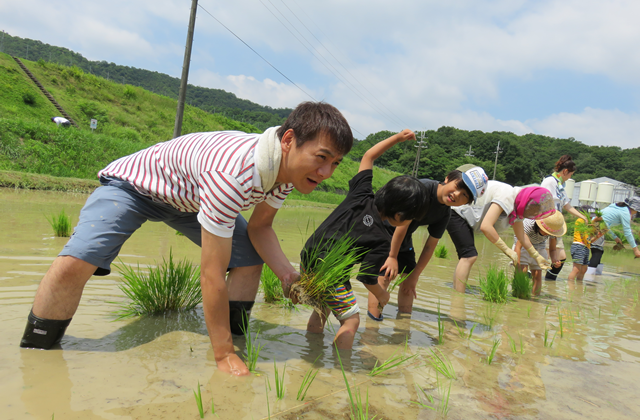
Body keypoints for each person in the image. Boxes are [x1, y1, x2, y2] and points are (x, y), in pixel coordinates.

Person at [20, 101, 353, 376]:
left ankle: (235, 338)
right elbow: (211, 274)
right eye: (321, 158)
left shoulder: (286, 173)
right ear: (289, 140)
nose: (326, 173)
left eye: (335, 163)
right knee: (76, 264)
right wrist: (221, 357)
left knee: (250, 259)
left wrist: (286, 274)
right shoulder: (234, 174)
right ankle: (36, 351)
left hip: (190, 201)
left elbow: (260, 228)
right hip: (135, 188)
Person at [300, 129, 428, 349]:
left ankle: (310, 351)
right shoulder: (381, 239)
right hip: (332, 273)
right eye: (409, 220)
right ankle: (343, 367)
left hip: (308, 256)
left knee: (323, 307)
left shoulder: (361, 194)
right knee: (351, 320)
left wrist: (398, 138)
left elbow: (368, 156)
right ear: (399, 217)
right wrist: (382, 294)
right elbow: (367, 278)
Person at [366, 165, 489, 319]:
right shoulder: (422, 190)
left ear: (465, 203)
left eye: (464, 195)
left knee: (408, 282)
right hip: (384, 229)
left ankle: (404, 324)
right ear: (448, 179)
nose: (457, 194)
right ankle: (372, 325)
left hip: (404, 237)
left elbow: (430, 246)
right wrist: (392, 256)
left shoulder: (444, 214)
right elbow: (402, 226)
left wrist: (415, 276)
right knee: (386, 275)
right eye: (457, 187)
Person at [447, 182, 556, 293]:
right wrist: (507, 250)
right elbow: (486, 226)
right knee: (469, 256)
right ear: (529, 202)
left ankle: (457, 292)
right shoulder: (507, 196)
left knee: (467, 256)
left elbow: (522, 236)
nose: (533, 214)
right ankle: (458, 299)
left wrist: (536, 255)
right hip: (458, 212)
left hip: (467, 218)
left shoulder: (518, 205)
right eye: (533, 210)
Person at [540, 155, 588, 280]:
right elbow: (541, 201)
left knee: (560, 258)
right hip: (546, 224)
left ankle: (549, 283)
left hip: (556, 226)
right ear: (565, 171)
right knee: (541, 256)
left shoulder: (559, 185)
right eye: (570, 174)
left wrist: (582, 216)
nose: (570, 177)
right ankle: (531, 282)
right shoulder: (550, 181)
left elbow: (567, 206)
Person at [514, 210, 567, 295]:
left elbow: (553, 249)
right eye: (547, 232)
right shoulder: (528, 225)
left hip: (539, 245)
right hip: (523, 243)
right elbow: (518, 247)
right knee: (522, 271)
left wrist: (554, 260)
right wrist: (517, 264)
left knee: (537, 274)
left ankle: (535, 298)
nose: (548, 234)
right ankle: (518, 294)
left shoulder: (553, 229)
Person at [568, 216, 604, 281]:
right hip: (579, 246)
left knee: (584, 269)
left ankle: (579, 287)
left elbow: (589, 241)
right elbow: (587, 239)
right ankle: (571, 287)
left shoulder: (588, 223)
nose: (591, 218)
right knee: (576, 269)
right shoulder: (581, 220)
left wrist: (598, 236)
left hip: (586, 247)